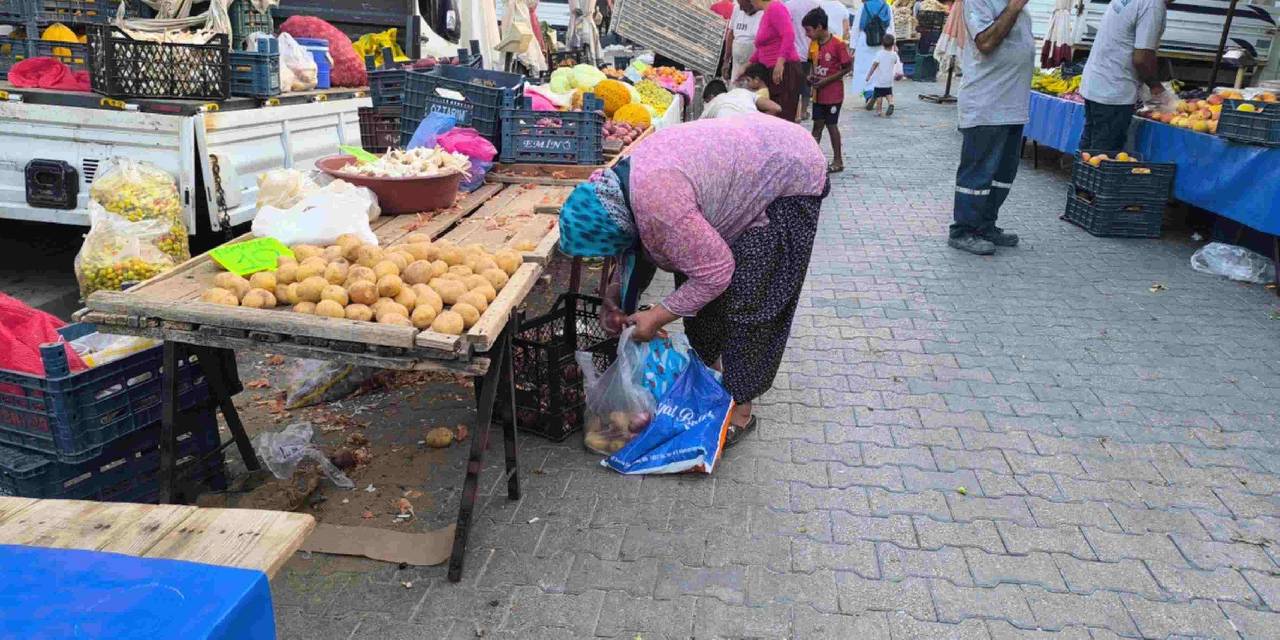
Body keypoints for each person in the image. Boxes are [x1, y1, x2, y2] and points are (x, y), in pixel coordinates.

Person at [557, 114, 829, 446]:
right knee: (693, 279)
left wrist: (657, 315)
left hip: (789, 173)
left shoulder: (658, 205)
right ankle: (711, 377)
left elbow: (716, 272)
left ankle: (741, 409)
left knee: (751, 299)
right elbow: (635, 249)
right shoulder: (618, 194)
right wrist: (614, 297)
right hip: (746, 163)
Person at [947, 0, 1034, 255]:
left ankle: (985, 225)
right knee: (977, 174)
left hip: (1012, 106)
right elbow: (985, 43)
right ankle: (963, 230)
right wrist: (1015, 6)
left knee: (1003, 175)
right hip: (986, 105)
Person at [1079, 0, 1172, 154]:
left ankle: (1081, 178)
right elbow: (1141, 58)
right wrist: (1156, 87)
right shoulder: (1152, 5)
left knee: (1088, 152)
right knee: (1103, 155)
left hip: (1096, 82)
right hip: (1115, 92)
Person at [803, 7, 851, 171]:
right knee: (817, 126)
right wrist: (811, 77)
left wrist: (826, 81)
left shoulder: (838, 44)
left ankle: (838, 161)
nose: (806, 34)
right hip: (818, 94)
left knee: (831, 125)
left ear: (819, 27)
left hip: (833, 94)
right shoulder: (814, 44)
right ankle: (810, 160)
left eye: (808, 30)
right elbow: (811, 64)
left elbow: (846, 68)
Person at [745, 0, 806, 121]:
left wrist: (780, 62)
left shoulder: (776, 7)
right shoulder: (766, 13)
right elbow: (763, 47)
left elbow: (788, 34)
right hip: (770, 69)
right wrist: (747, 65)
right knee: (775, 115)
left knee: (783, 115)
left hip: (784, 69)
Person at [851, 0, 893, 108]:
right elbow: (890, 26)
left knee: (864, 69)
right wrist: (893, 43)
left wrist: (853, 46)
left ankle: (869, 95)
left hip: (865, 41)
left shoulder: (863, 7)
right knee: (880, 69)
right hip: (883, 41)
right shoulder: (886, 5)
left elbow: (856, 27)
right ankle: (877, 93)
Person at [785, 0, 821, 121]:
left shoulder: (788, 5)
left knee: (792, 84)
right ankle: (804, 111)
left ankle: (795, 112)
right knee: (806, 82)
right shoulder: (815, 5)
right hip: (811, 49)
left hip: (792, 51)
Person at [701, 73, 783, 118]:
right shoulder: (742, 92)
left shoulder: (710, 106)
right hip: (755, 127)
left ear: (711, 97)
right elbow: (776, 108)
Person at [725, 0, 764, 81]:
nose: (741, 9)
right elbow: (731, 34)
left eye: (743, 6)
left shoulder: (764, 13)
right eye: (739, 5)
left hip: (754, 69)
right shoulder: (737, 9)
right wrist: (726, 61)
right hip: (736, 65)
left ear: (752, 2)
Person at [864, 33, 899, 116]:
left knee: (879, 97)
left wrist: (869, 75)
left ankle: (879, 111)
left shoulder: (879, 54)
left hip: (880, 81)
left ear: (882, 44)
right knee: (888, 94)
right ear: (893, 44)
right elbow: (895, 61)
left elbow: (874, 65)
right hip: (889, 80)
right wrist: (895, 49)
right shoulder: (894, 54)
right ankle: (891, 104)